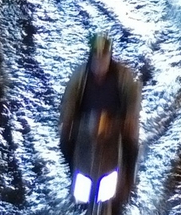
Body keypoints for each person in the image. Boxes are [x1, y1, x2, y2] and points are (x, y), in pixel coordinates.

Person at [58, 33, 140, 189]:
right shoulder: (79, 77)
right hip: (85, 125)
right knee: (64, 142)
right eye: (96, 56)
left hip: (116, 125)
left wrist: (130, 118)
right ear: (91, 57)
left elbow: (133, 99)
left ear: (109, 57)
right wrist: (67, 122)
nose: (99, 61)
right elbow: (69, 101)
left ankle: (129, 179)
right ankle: (73, 172)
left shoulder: (123, 76)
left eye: (103, 57)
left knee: (132, 143)